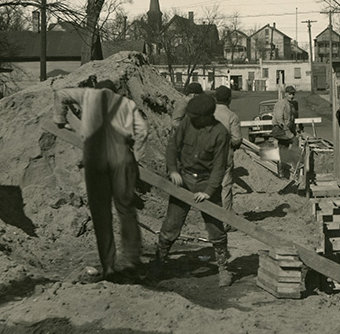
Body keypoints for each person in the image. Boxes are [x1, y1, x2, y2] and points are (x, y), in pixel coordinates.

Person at [52, 78, 148, 282]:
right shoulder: (126, 104)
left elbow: (60, 94)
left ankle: (109, 267)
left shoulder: (87, 95)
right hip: (121, 158)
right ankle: (132, 261)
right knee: (126, 210)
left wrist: (60, 119)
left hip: (95, 159)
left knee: (101, 214)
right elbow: (142, 132)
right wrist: (136, 159)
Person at [156, 93, 233, 286]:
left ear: (207, 116)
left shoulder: (220, 133)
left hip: (207, 183)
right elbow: (172, 147)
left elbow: (219, 167)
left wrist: (208, 191)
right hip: (184, 179)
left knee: (216, 229)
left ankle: (223, 269)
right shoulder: (187, 123)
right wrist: (173, 170)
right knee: (170, 226)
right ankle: (158, 264)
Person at [213, 85, 242, 230]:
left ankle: (212, 221)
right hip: (224, 156)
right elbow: (237, 140)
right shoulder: (232, 116)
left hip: (207, 156)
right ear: (229, 99)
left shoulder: (207, 113)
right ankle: (225, 222)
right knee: (225, 188)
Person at [272, 85, 298, 179]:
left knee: (283, 150)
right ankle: (296, 168)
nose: (292, 96)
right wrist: (288, 133)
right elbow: (279, 119)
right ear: (286, 94)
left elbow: (292, 120)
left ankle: (282, 173)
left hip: (285, 129)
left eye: (293, 94)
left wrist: (295, 130)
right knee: (295, 141)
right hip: (280, 129)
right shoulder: (281, 104)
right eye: (290, 94)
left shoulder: (291, 105)